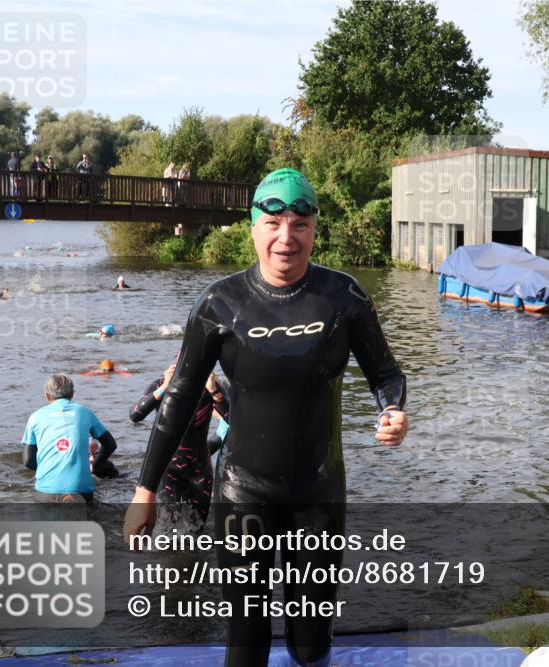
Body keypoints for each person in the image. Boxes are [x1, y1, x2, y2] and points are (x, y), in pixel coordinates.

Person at [124, 167, 408, 667]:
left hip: (318, 493)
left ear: (315, 230)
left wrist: (392, 408)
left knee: (312, 640)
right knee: (246, 638)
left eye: (300, 224)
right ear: (253, 227)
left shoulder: (345, 298)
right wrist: (144, 492)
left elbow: (385, 371)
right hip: (242, 491)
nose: (286, 237)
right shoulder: (219, 303)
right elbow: (179, 398)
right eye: (273, 223)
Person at [129, 360, 229, 528]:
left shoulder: (212, 385)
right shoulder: (161, 383)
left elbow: (234, 420)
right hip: (169, 467)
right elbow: (135, 415)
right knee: (168, 526)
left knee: (198, 530)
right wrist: (164, 387)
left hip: (200, 470)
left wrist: (213, 391)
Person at [22, 374, 117, 504]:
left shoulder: (35, 417)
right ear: (72, 394)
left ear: (47, 395)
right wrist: (95, 466)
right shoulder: (83, 412)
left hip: (46, 493)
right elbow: (110, 444)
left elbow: (28, 460)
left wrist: (48, 470)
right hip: (81, 492)